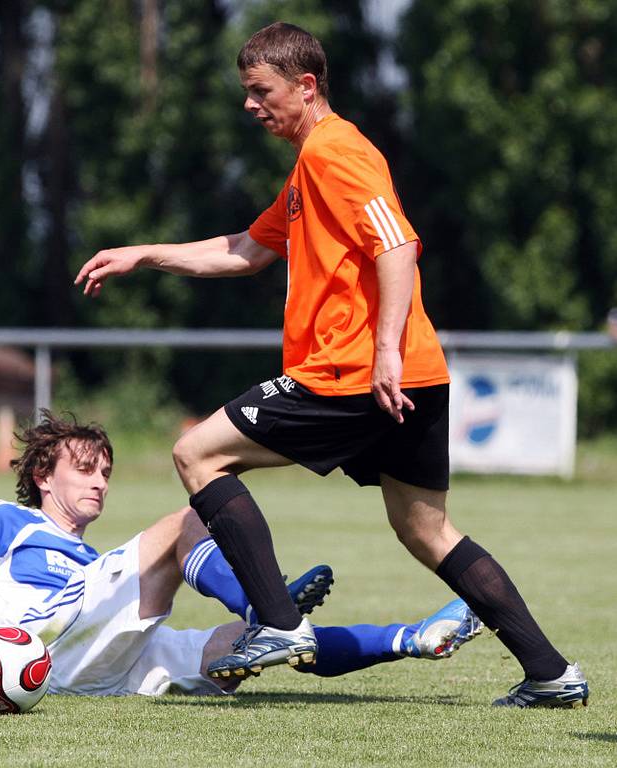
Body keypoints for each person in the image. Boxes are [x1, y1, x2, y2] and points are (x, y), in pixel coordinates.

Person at [73, 23, 588, 709]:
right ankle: (551, 673)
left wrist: (380, 352)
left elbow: (397, 246)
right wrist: (144, 252)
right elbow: (246, 250)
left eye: (261, 92)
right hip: (413, 374)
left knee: (196, 453)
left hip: (353, 370)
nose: (251, 105)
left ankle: (279, 624)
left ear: (305, 85)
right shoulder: (304, 170)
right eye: (246, 93)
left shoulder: (335, 151)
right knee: (424, 528)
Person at [0, 411, 481, 699]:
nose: (101, 482)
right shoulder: (4, 521)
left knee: (241, 650)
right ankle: (269, 611)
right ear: (42, 476)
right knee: (187, 519)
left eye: (107, 472)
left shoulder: (92, 559)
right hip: (40, 640)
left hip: (101, 670)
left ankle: (411, 638)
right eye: (85, 470)